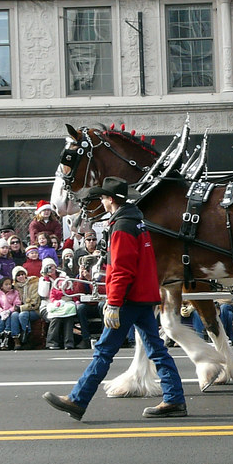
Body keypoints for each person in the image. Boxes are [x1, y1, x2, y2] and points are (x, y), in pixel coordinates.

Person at [43, 176, 186, 420]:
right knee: (157, 350)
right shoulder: (136, 221)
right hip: (142, 297)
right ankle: (174, 399)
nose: (101, 200)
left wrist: (113, 302)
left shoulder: (121, 226)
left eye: (102, 197)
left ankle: (78, 400)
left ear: (110, 200)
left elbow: (121, 269)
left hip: (128, 299)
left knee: (104, 351)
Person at [13, 265, 41, 349]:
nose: (21, 277)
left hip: (35, 310)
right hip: (20, 310)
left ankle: (27, 337)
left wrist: (21, 308)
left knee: (23, 315)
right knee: (14, 316)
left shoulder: (34, 283)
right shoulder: (15, 287)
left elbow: (35, 303)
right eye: (18, 275)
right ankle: (16, 339)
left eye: (22, 274)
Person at [0, 277, 22, 350]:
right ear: (1, 286)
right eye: (6, 284)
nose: (9, 286)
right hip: (1, 312)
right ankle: (0, 339)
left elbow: (17, 304)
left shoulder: (15, 292)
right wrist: (1, 312)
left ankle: (8, 339)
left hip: (10, 312)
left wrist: (9, 311)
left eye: (10, 284)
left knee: (9, 322)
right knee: (1, 323)